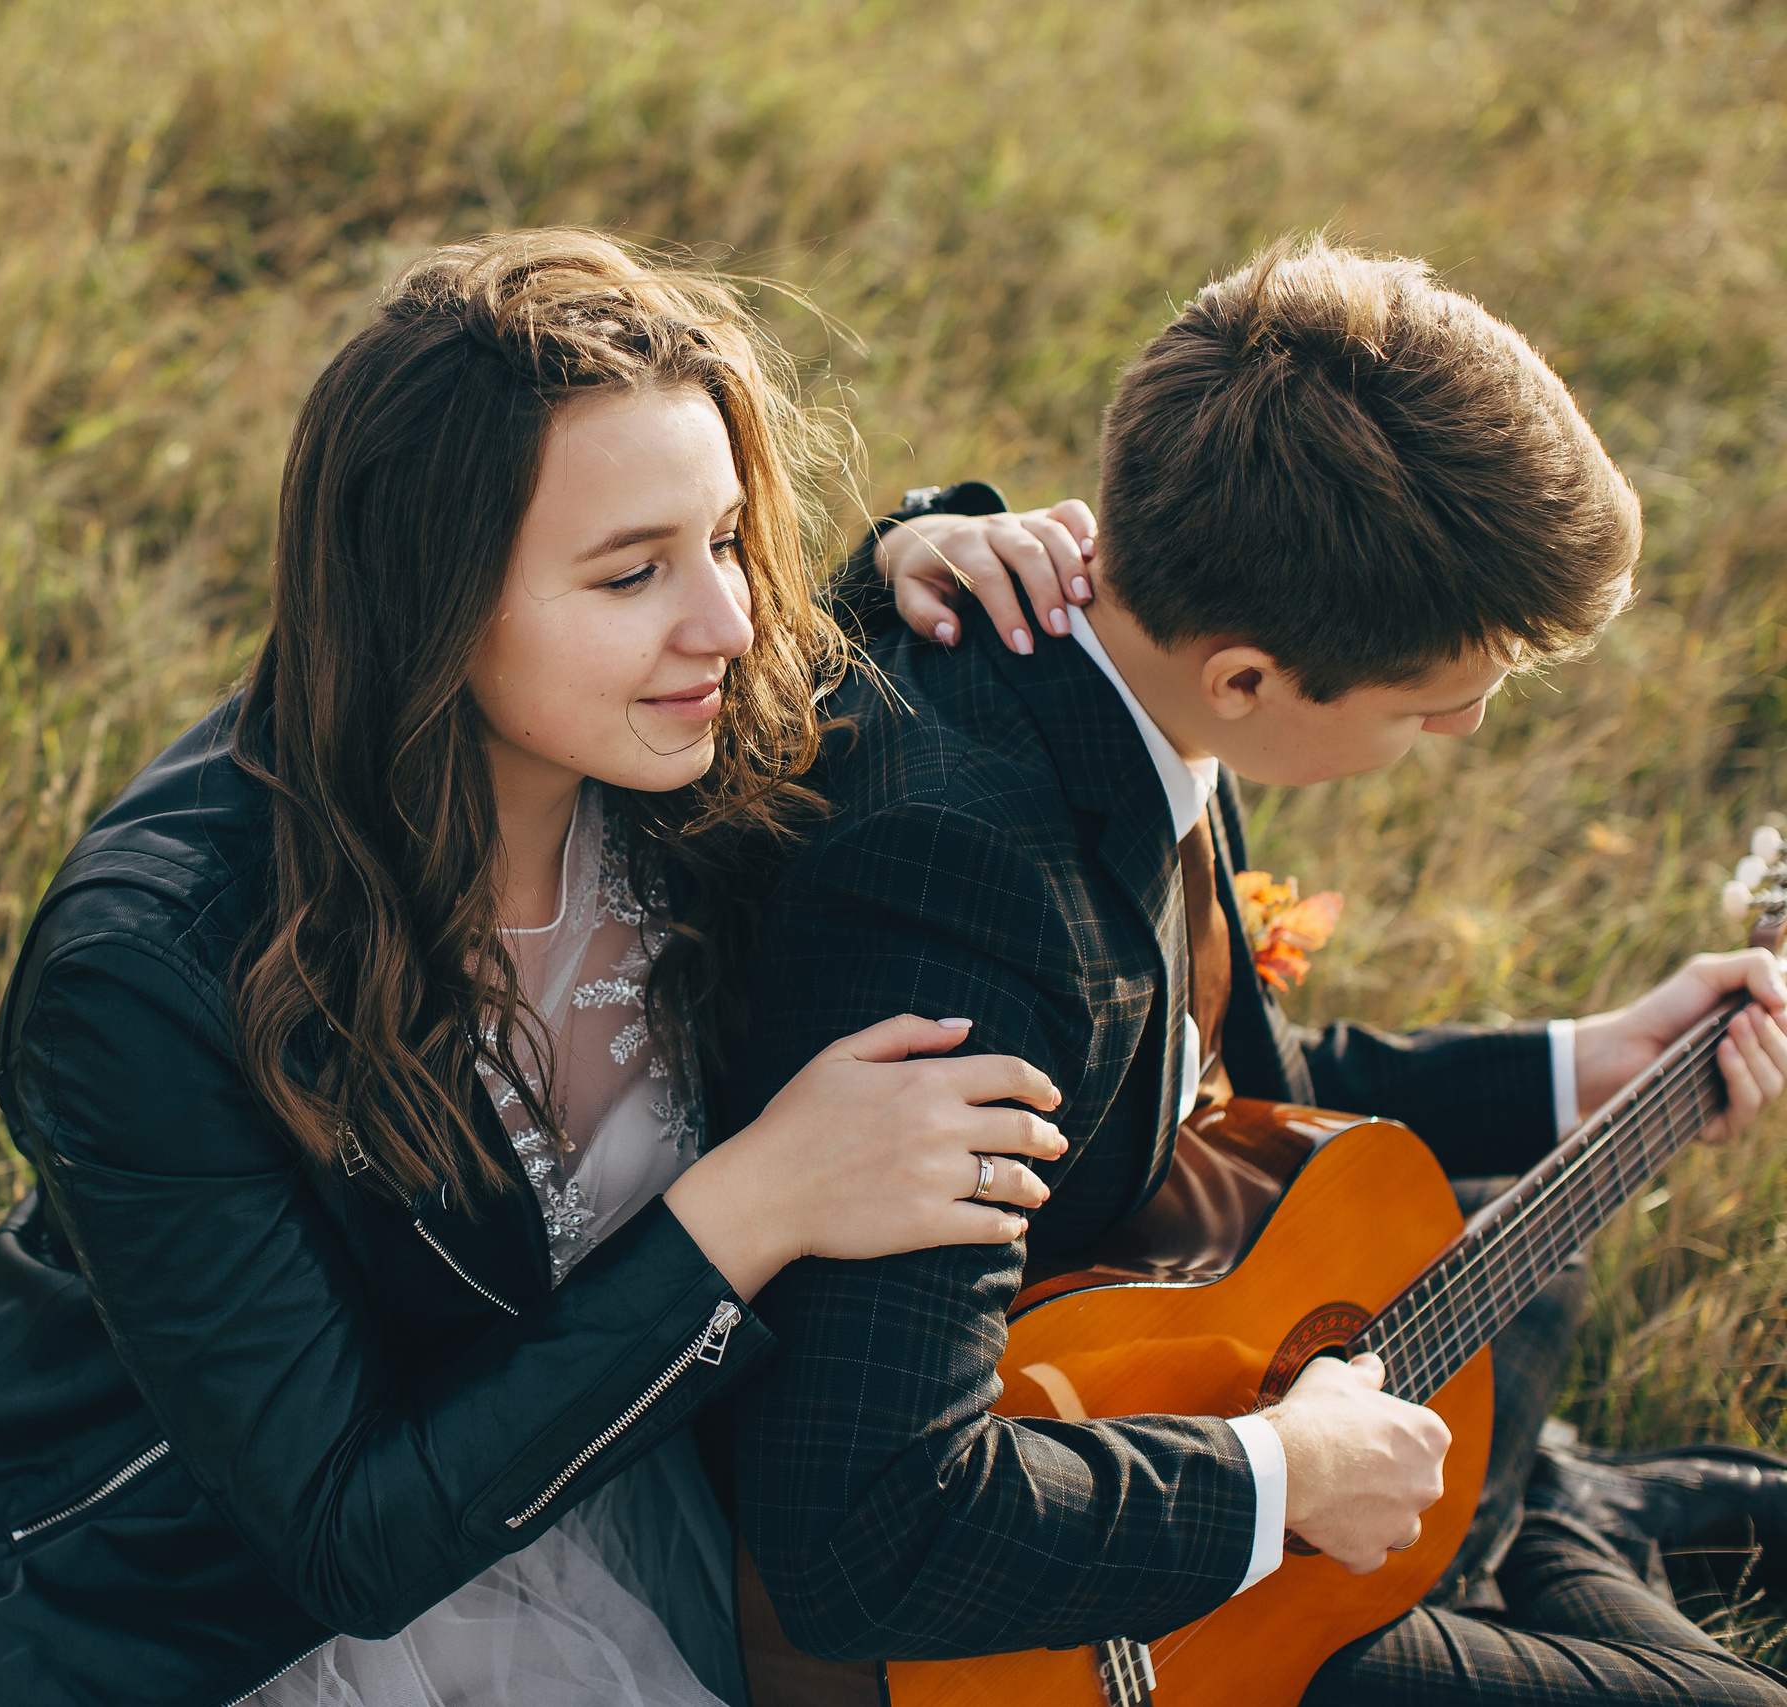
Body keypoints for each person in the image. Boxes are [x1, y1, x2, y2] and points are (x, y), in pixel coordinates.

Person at [0, 229, 1071, 1707]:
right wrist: (759, 1201)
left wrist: (921, 546)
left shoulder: (667, 747)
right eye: (632, 576)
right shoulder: (142, 974)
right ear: (429, 597)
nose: (731, 622)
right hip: (196, 1604)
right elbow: (349, 1538)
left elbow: (791, 633)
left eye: (729, 539)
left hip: (591, 1461)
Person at [720, 237, 1787, 1705]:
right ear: (1247, 679)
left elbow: (1200, 1095)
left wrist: (1580, 1066)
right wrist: (1282, 1479)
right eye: (1427, 708)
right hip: (1076, 1629)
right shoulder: (959, 892)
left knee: (1512, 1255)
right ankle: (1570, 1531)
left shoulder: (1126, 690)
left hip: (1157, 1342)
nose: (1465, 731)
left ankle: (1552, 1525)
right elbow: (864, 1539)